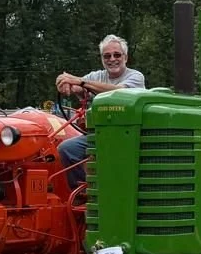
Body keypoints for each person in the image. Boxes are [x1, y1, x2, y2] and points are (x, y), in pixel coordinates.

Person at [56, 35, 146, 193]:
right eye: (107, 56)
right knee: (66, 148)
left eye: (117, 55)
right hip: (99, 134)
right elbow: (76, 87)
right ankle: (83, 192)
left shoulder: (135, 77)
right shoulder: (96, 76)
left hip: (127, 136)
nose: (112, 59)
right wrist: (65, 83)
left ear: (126, 57)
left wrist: (80, 82)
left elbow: (120, 92)